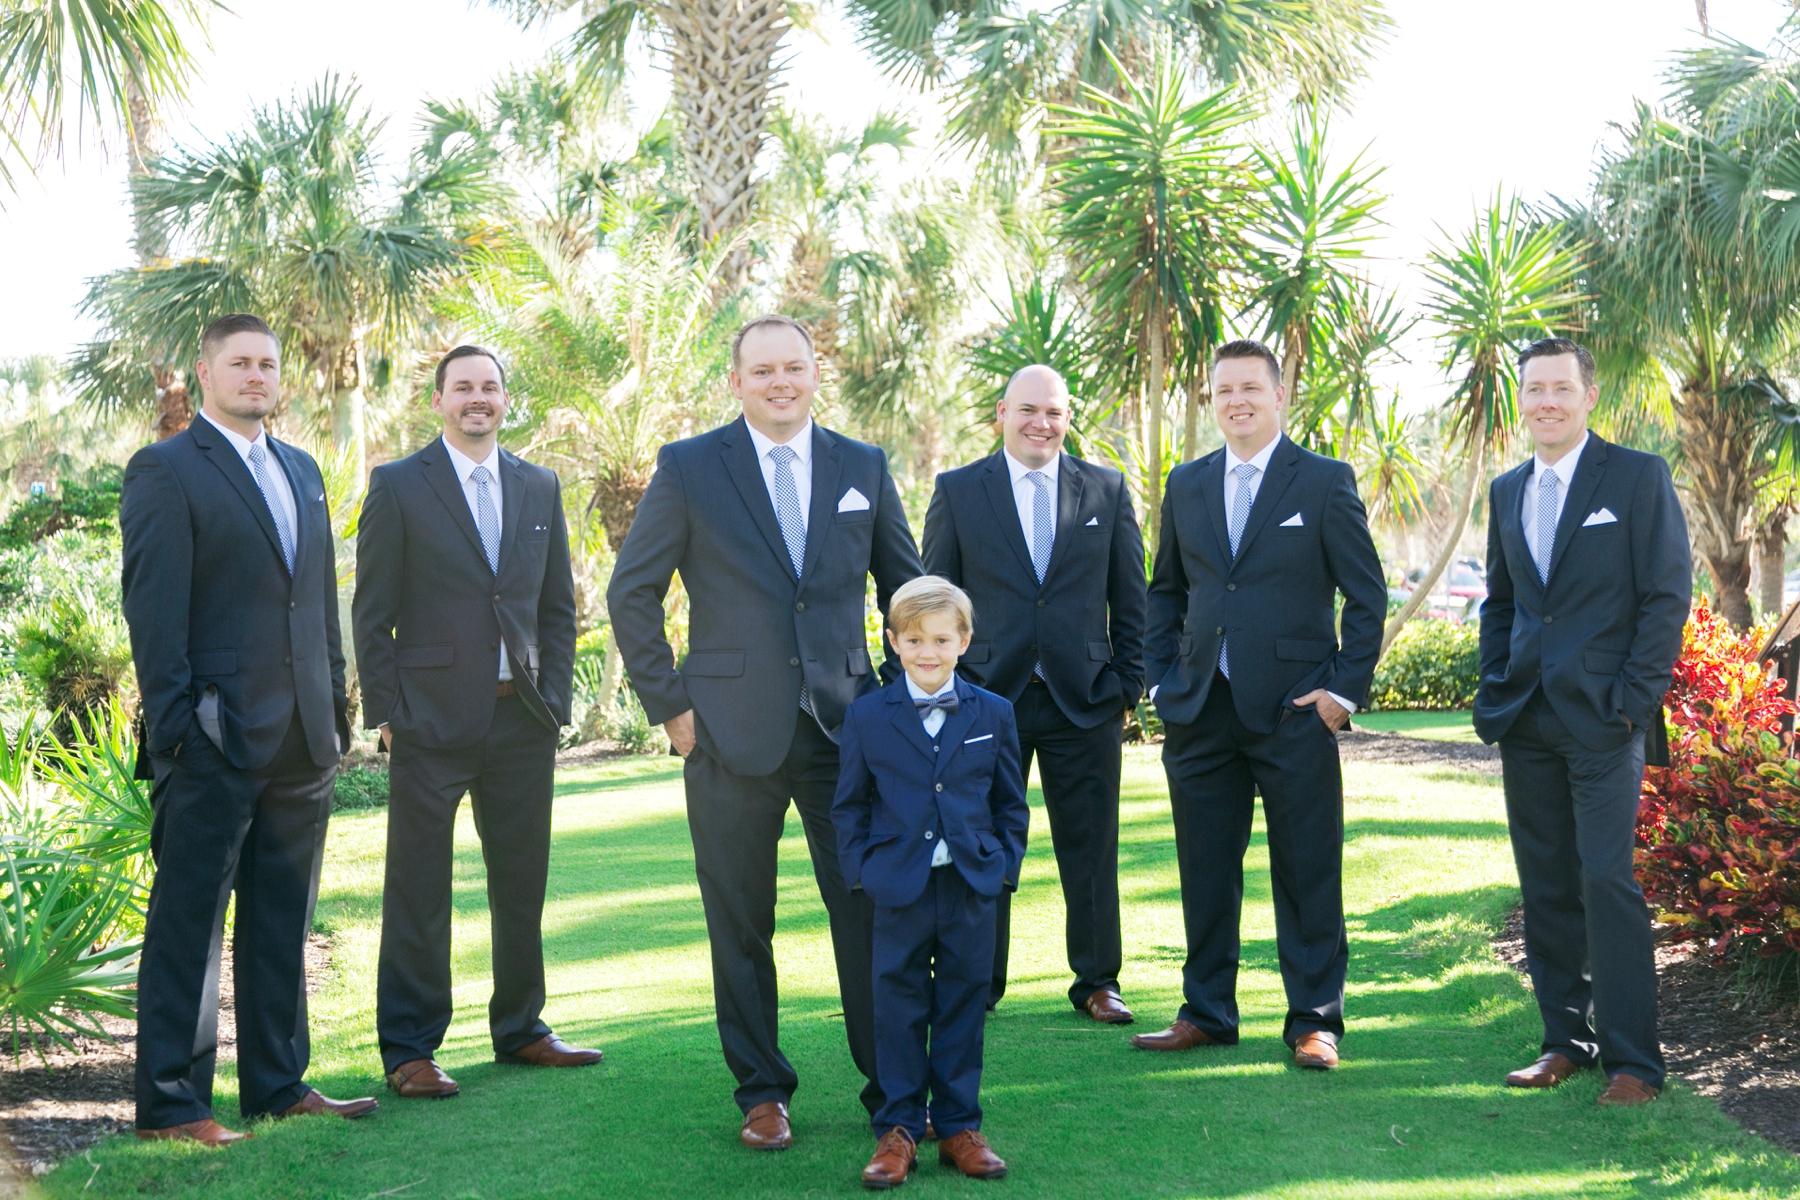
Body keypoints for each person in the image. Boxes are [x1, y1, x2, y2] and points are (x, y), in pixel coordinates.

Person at [606, 315, 924, 1149]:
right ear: (737, 381)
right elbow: (631, 592)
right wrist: (670, 706)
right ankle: (762, 1091)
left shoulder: (863, 466)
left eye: (794, 367)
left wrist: (902, 702)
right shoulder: (688, 466)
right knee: (740, 921)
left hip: (847, 733)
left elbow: (908, 592)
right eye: (763, 370)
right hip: (723, 734)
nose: (781, 382)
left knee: (869, 911)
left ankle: (893, 1088)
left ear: (816, 374)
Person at [123, 313, 376, 1145]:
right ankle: (174, 1106)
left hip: (303, 738)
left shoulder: (301, 469)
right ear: (206, 374)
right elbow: (153, 613)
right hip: (212, 737)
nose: (256, 375)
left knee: (281, 921)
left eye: (267, 363)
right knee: (188, 926)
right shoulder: (166, 470)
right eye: (240, 363)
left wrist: (334, 712)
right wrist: (177, 733)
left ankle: (277, 1085)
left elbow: (316, 601)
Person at [1132, 338, 1385, 1070]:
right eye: (1224, 390)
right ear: (1212, 401)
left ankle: (1314, 1021)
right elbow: (1165, 592)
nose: (1236, 401)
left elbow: (1366, 595)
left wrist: (1342, 692)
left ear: (1279, 395)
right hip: (1199, 708)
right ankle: (1207, 1012)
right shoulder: (1186, 483)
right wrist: (1161, 681)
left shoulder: (1325, 481)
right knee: (1205, 867)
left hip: (1294, 710)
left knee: (1308, 869)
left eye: (1250, 388)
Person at [353, 345, 597, 1100]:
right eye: (463, 387)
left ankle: (521, 1028)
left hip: (522, 719)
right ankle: (410, 1048)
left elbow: (557, 608)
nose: (477, 398)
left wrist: (554, 703)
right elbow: (371, 613)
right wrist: (388, 713)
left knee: (521, 881)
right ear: (439, 400)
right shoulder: (398, 485)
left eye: (489, 386)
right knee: (419, 888)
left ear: (505, 399)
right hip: (428, 723)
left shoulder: (538, 485)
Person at [1475, 337, 1690, 1106]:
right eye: (1534, 390)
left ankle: (1635, 1063)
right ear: (1522, 400)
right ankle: (1565, 1041)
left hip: (1606, 720)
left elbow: (1667, 593)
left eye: (1561, 388)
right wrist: (1492, 685)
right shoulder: (1507, 490)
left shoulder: (1635, 477)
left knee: (1605, 880)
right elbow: (1501, 603)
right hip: (1525, 717)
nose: (1547, 402)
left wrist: (1632, 702)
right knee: (1546, 885)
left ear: (1589, 396)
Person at [922, 364, 1144, 1022]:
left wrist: (1127, 686)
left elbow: (1132, 596)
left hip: (1087, 699)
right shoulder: (958, 491)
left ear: (1067, 418)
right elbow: (936, 599)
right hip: (985, 698)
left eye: (1053, 412)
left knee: (1092, 846)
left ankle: (1098, 982)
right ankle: (976, 982)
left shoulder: (1106, 489)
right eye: (1027, 410)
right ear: (1002, 413)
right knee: (981, 842)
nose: (1041, 423)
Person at [833, 576, 1029, 1189]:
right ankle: (898, 1128)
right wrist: (862, 872)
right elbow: (849, 806)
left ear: (964, 641)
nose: (927, 652)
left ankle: (959, 1126)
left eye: (941, 640)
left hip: (971, 884)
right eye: (914, 640)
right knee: (896, 1005)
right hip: (897, 887)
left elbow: (1011, 803)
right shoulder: (867, 715)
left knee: (964, 1003)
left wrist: (1003, 867)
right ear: (893, 641)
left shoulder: (994, 712)